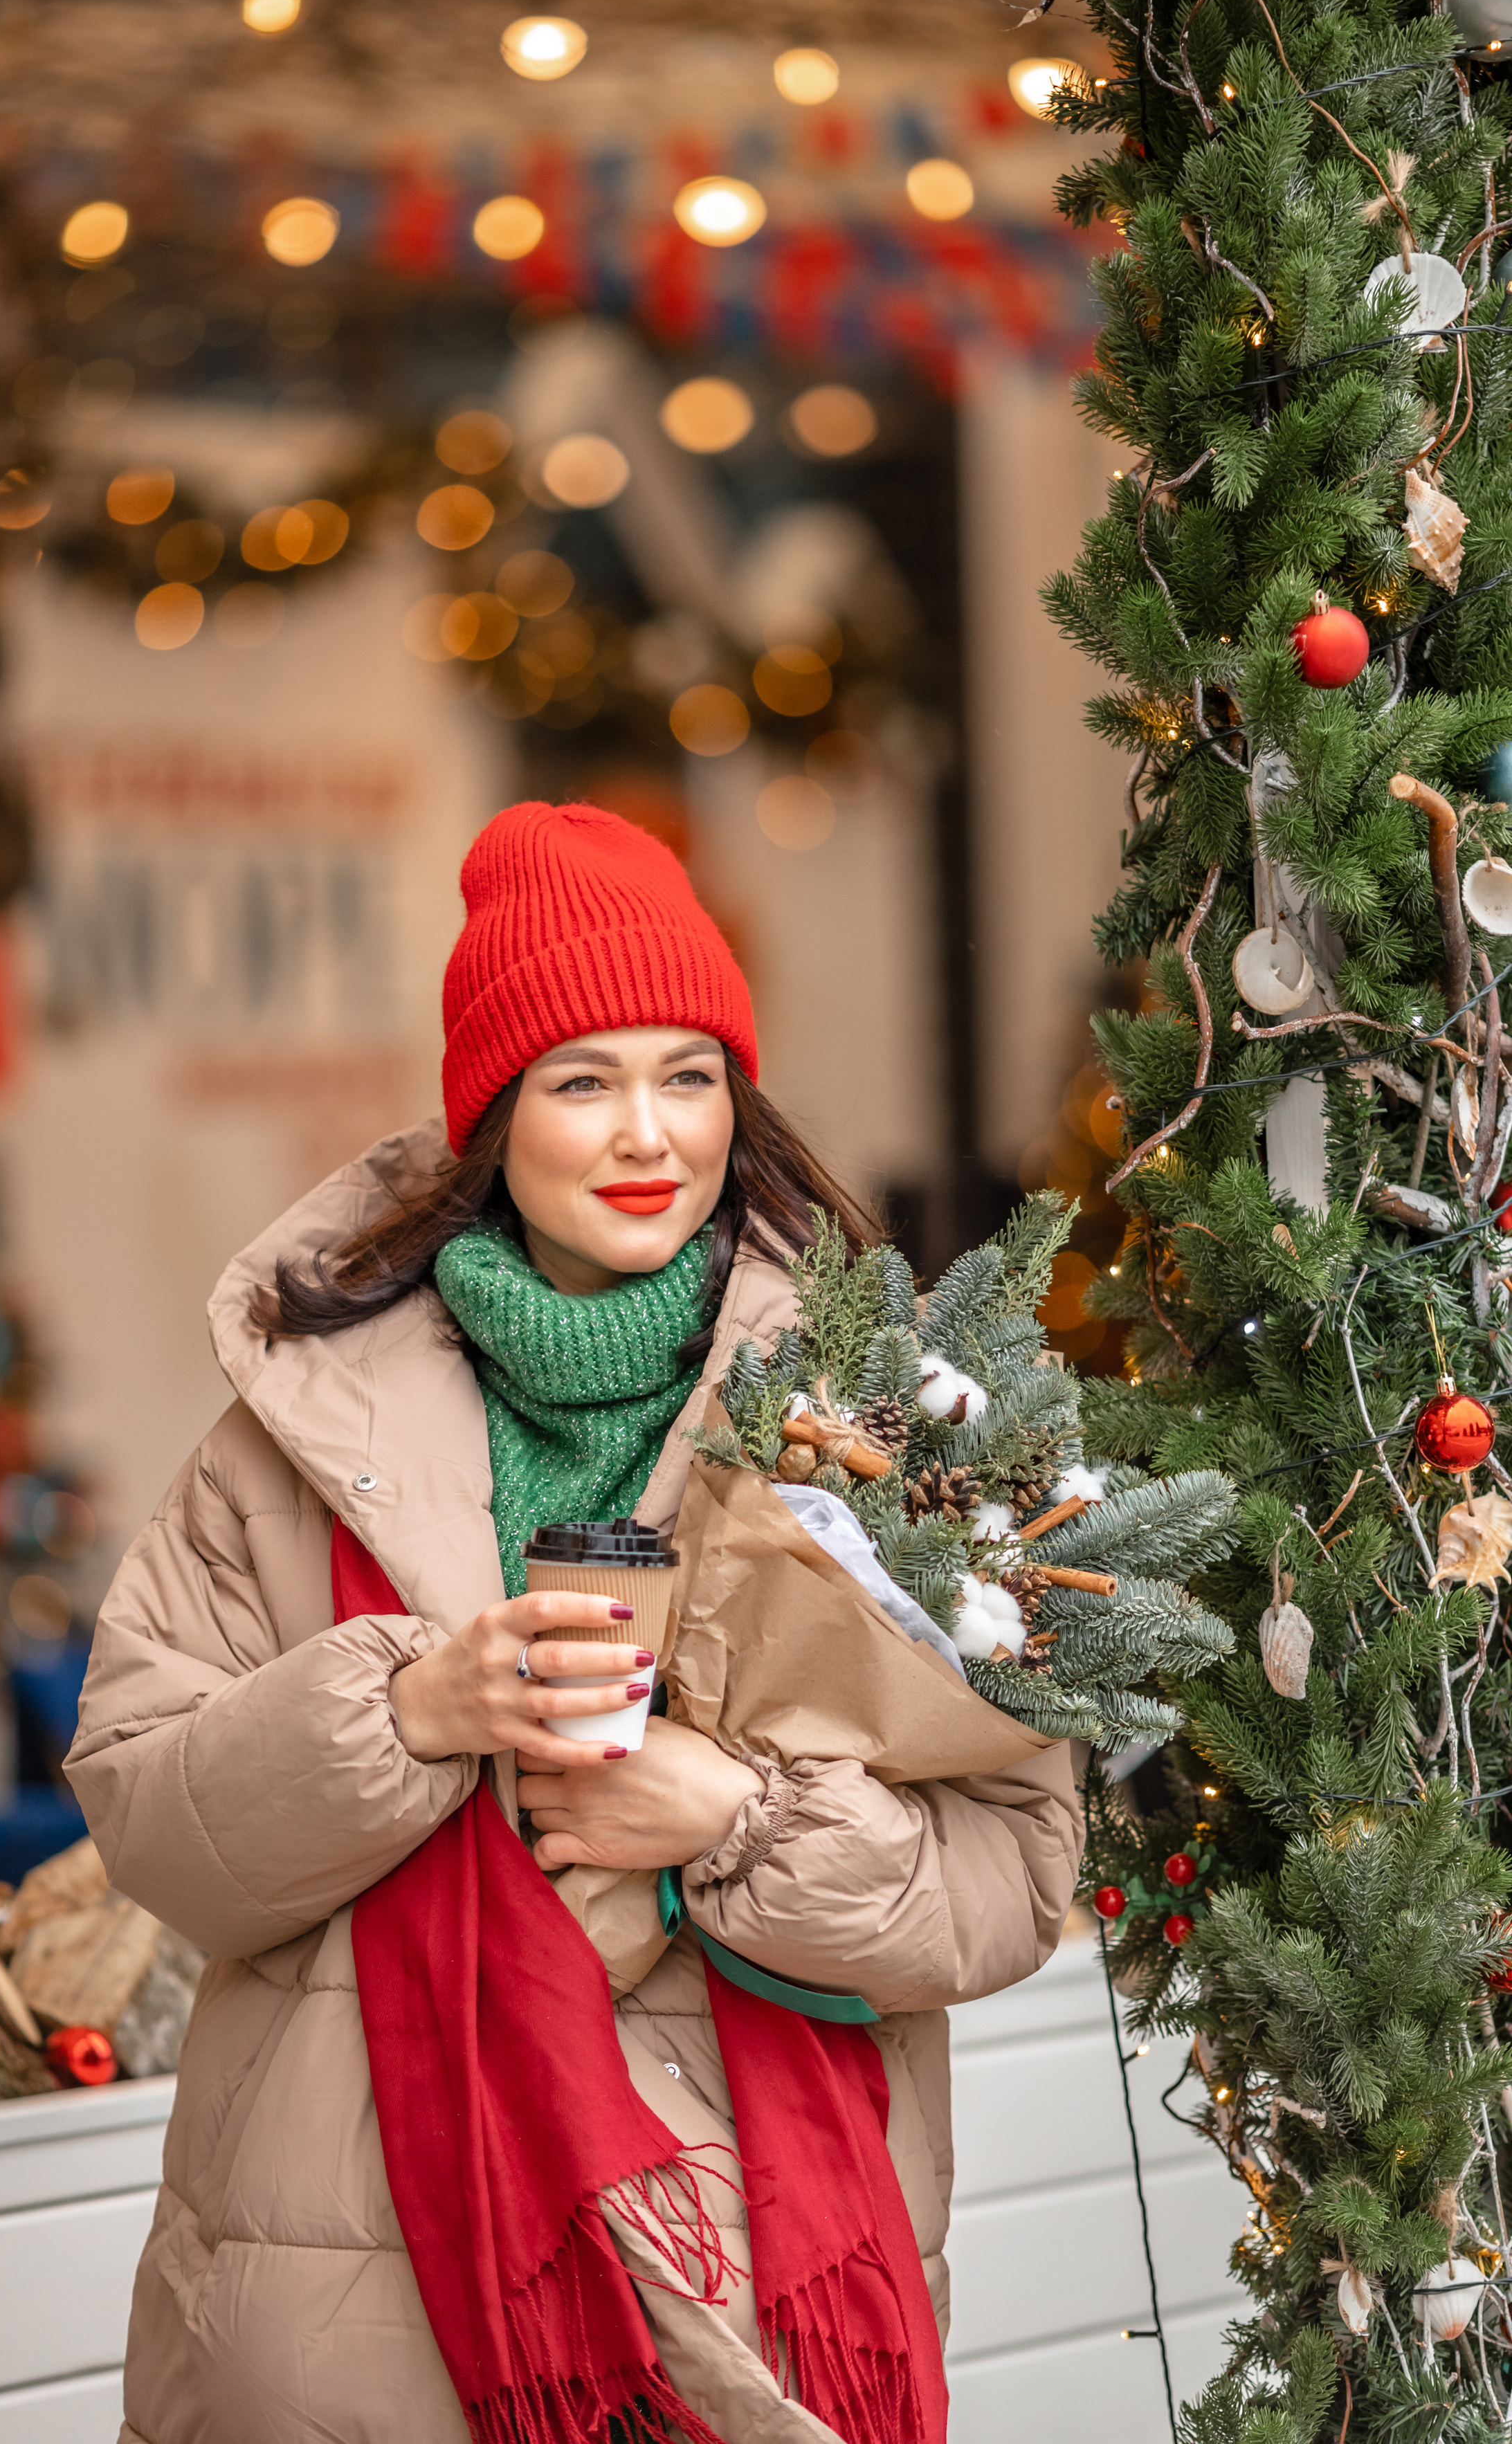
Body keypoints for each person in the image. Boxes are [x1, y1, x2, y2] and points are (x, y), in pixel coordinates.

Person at [66, 801, 1080, 2444]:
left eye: (689, 1076)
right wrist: (405, 1714)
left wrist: (731, 1822)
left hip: (761, 2291)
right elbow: (148, 1820)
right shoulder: (291, 1440)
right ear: (493, 1116)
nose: (647, 1134)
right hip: (357, 2315)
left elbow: (1017, 1869)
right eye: (581, 1082)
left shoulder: (875, 1422)